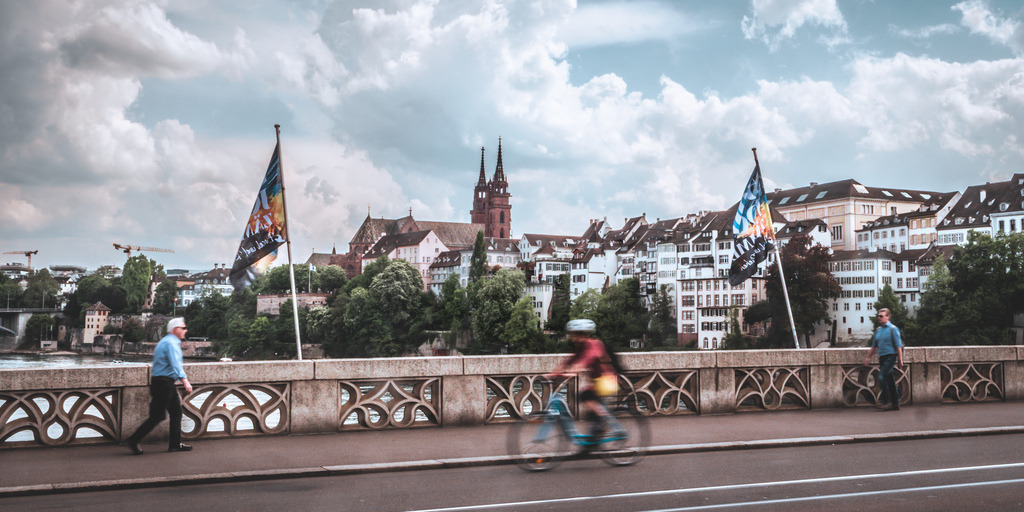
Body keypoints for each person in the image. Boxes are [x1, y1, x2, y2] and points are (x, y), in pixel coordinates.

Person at [125, 317, 194, 454]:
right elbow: (176, 364)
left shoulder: (166, 341)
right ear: (176, 329)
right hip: (164, 383)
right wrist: (185, 381)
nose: (185, 331)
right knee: (157, 416)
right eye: (183, 328)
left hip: (164, 382)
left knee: (176, 413)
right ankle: (133, 440)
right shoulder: (171, 344)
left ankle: (175, 444)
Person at [546, 319, 623, 439]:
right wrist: (553, 373)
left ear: (585, 334)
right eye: (574, 334)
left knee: (584, 395)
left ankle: (608, 423)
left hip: (607, 381)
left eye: (578, 334)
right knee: (591, 413)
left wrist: (573, 372)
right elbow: (569, 361)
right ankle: (593, 438)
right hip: (598, 383)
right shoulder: (580, 347)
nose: (575, 337)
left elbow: (587, 358)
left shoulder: (594, 344)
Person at [863, 308, 904, 411]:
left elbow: (898, 346)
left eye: (881, 316)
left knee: (881, 377)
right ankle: (895, 403)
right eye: (878, 316)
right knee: (890, 380)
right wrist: (868, 357)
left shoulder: (893, 329)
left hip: (891, 356)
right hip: (882, 357)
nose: (879, 318)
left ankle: (887, 401)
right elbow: (874, 345)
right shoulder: (878, 330)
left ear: (888, 316)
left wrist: (900, 360)